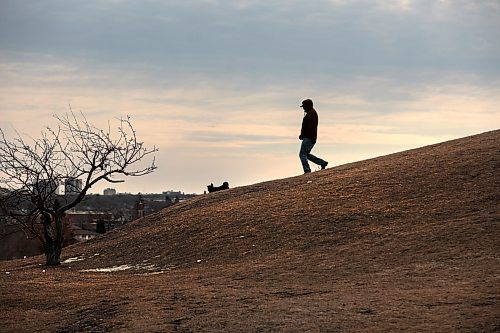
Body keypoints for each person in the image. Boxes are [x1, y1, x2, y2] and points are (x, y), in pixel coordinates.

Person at [298, 99, 328, 174]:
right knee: (306, 154)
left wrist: (302, 135)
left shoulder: (310, 114)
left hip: (308, 137)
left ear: (308, 106)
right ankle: (322, 163)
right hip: (311, 137)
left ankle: (307, 170)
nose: (303, 108)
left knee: (302, 154)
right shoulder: (312, 113)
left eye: (304, 106)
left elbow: (308, 127)